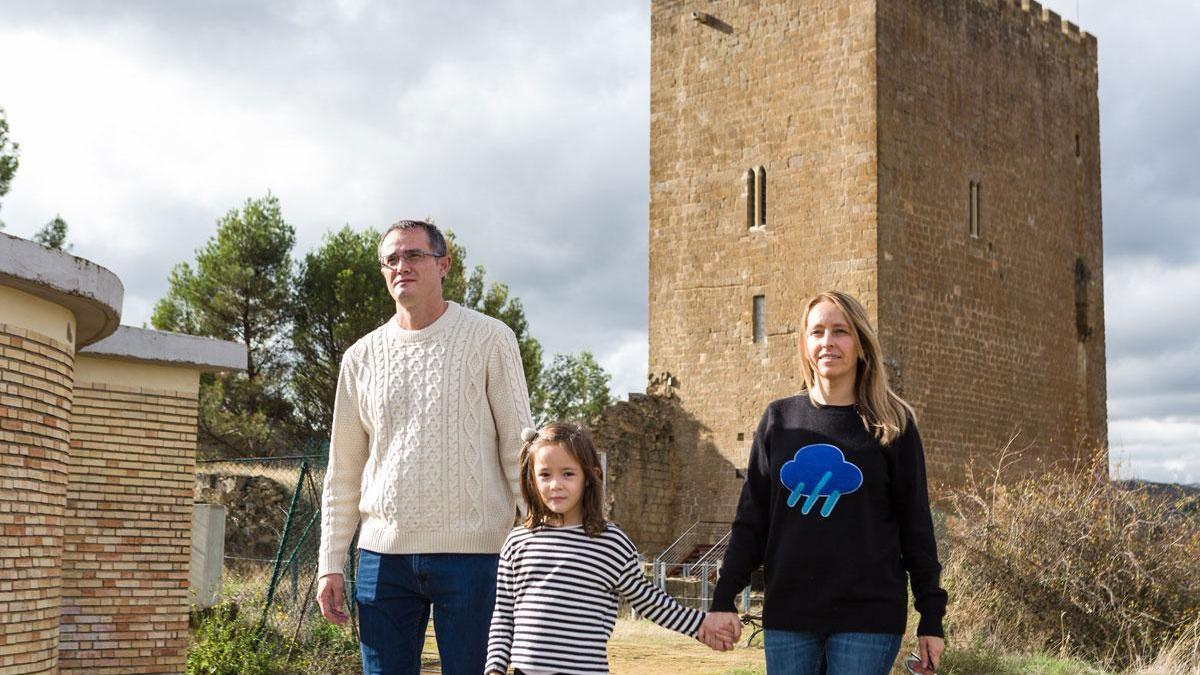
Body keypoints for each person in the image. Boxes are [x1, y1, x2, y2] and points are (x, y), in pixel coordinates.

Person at [315, 220, 534, 675]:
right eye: (391, 259)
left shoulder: (491, 338)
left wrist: (536, 544)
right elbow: (344, 471)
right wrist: (330, 563)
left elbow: (521, 451)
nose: (402, 266)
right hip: (381, 559)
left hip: (477, 555)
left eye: (414, 255)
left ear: (444, 265)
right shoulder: (360, 357)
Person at [701, 290, 948, 675]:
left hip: (867, 617)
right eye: (817, 332)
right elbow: (751, 523)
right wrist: (723, 598)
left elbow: (917, 527)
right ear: (804, 343)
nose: (827, 343)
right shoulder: (778, 420)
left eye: (841, 332)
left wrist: (931, 617)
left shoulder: (892, 424)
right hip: (789, 615)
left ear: (862, 345)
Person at [485, 422, 737, 674]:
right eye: (545, 474)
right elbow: (503, 615)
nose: (555, 484)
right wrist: (494, 668)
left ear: (589, 476)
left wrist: (701, 625)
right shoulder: (517, 542)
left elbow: (650, 601)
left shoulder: (610, 543)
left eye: (568, 473)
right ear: (531, 479)